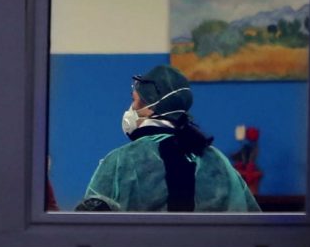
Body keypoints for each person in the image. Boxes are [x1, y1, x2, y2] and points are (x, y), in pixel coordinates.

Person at [76, 65, 260, 212]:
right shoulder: (217, 161)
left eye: (134, 100)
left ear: (150, 108)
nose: (130, 108)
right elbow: (252, 226)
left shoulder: (121, 162)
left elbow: (90, 227)